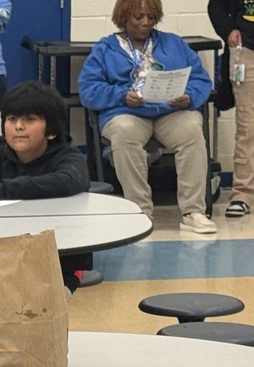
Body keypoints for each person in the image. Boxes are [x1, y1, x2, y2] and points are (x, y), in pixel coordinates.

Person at [79, 0, 216, 234]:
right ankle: (140, 210)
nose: (146, 23)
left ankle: (193, 212)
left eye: (151, 18)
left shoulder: (173, 43)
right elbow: (88, 90)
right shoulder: (104, 49)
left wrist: (189, 97)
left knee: (192, 126)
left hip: (169, 111)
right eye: (138, 17)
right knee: (124, 132)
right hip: (126, 112)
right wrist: (122, 95)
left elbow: (201, 80)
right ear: (123, 18)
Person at [208, 0, 253, 218]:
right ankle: (242, 194)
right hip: (245, 51)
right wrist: (228, 31)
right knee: (248, 127)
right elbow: (215, 6)